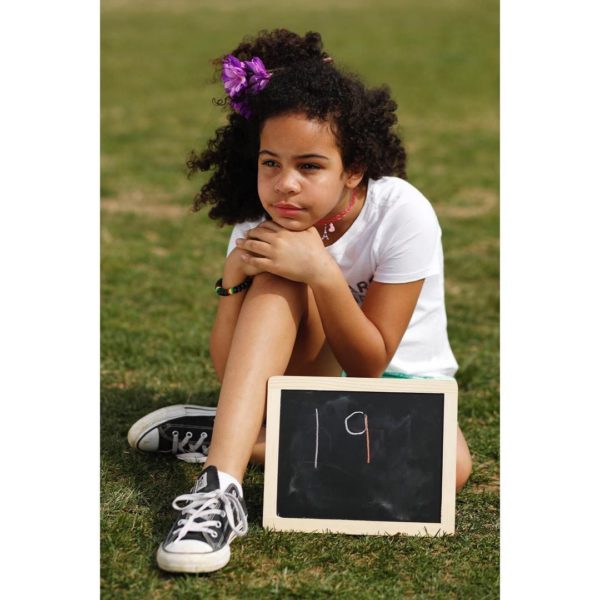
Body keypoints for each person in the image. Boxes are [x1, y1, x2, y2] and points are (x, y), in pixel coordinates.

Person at [127, 29, 472, 574]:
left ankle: (233, 435)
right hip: (304, 377)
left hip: (398, 383)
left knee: (450, 467)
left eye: (309, 166)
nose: (285, 185)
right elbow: (228, 366)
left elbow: (369, 366)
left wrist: (325, 275)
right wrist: (231, 282)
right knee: (279, 272)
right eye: (271, 163)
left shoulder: (401, 213)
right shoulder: (261, 224)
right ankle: (218, 490)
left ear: (352, 168)